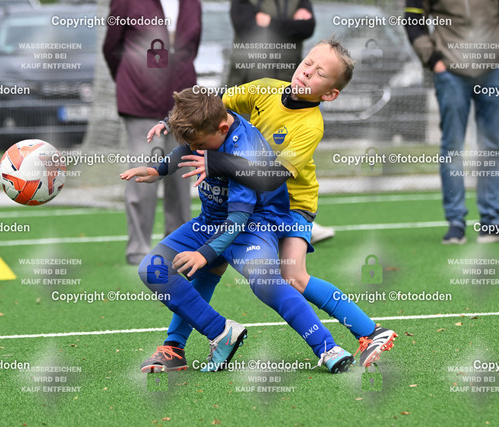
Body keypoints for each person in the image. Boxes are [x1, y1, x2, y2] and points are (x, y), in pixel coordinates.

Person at [145, 39, 397, 371]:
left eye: (320, 74)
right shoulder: (265, 89)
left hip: (291, 204)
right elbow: (212, 106)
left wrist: (216, 162)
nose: (307, 72)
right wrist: (170, 121)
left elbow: (270, 177)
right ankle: (177, 346)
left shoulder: (310, 126)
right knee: (207, 268)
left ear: (330, 94)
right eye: (308, 63)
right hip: (251, 198)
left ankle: (370, 332)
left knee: (293, 277)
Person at [121, 88, 355, 374]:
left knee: (265, 282)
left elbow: (239, 218)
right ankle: (215, 334)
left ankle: (328, 348)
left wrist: (204, 254)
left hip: (251, 225)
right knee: (152, 268)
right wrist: (158, 170)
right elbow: (189, 147)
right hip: (210, 221)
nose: (196, 149)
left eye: (199, 144)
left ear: (222, 129)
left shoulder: (245, 150)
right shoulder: (209, 125)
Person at [403, 0, 499, 244]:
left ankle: (491, 222)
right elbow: (413, 19)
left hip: (494, 70)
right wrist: (434, 61)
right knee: (452, 147)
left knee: (490, 146)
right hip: (450, 73)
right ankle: (456, 222)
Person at [103, 0, 201, 264]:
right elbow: (111, 47)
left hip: (182, 103)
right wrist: (133, 79)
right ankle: (138, 249)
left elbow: (191, 48)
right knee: (143, 175)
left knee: (181, 175)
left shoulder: (192, 3)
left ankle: (178, 245)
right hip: (140, 102)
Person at [228, 0, 333, 244]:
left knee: (286, 157)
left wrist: (270, 22)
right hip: (251, 82)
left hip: (287, 85)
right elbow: (246, 26)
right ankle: (241, 217)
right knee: (243, 150)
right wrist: (288, 24)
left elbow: (307, 28)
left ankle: (295, 217)